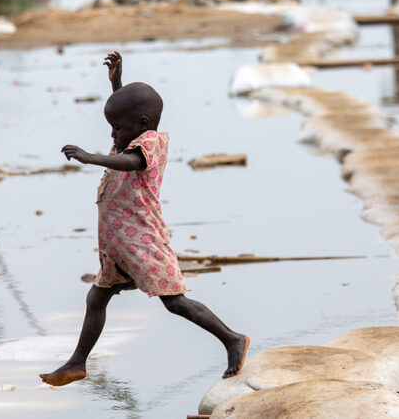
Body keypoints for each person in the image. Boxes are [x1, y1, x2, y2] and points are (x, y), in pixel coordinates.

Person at [41, 52, 249, 387]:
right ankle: (77, 363)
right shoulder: (133, 136)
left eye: (117, 128)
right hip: (118, 246)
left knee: (175, 302)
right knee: (96, 298)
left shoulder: (151, 143)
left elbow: (133, 163)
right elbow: (127, 124)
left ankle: (231, 339)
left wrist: (91, 157)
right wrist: (116, 84)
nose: (114, 134)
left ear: (141, 124)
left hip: (142, 240)